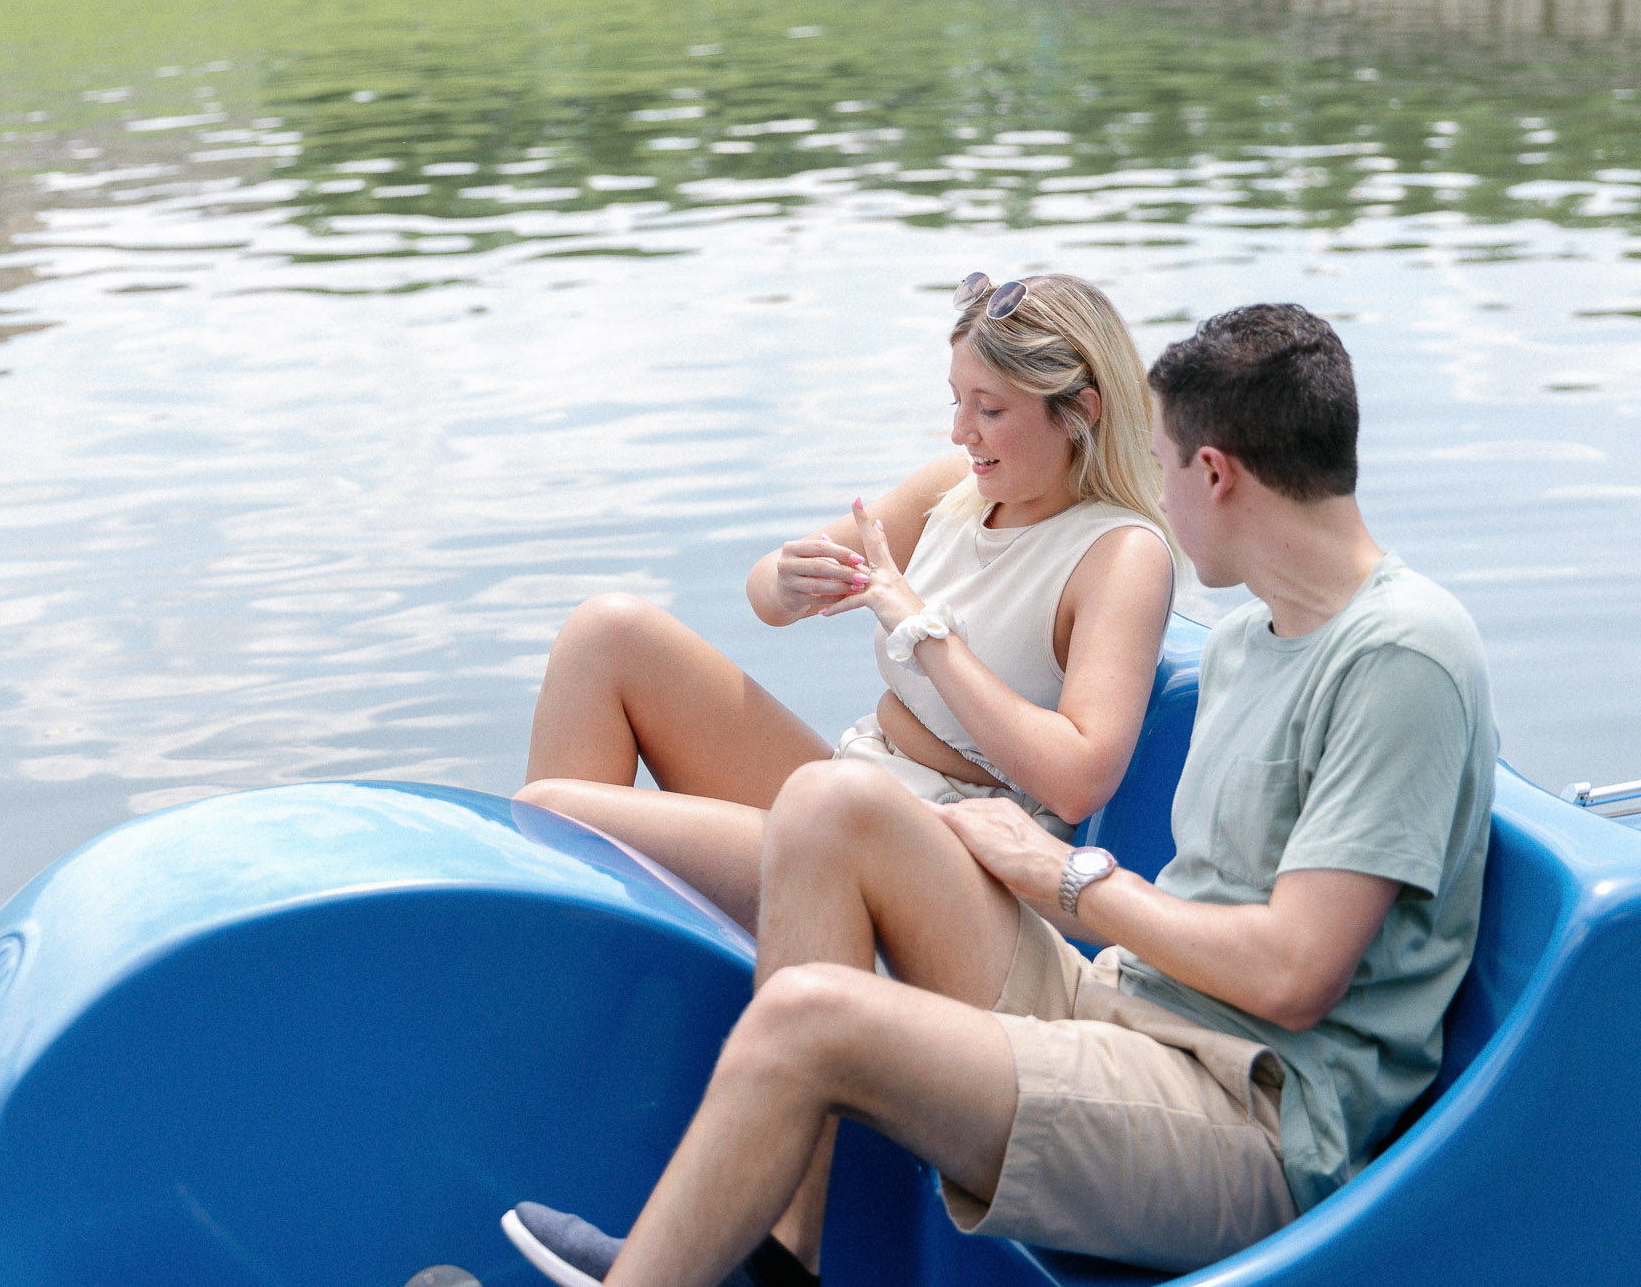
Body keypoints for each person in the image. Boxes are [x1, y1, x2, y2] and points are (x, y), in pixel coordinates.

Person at [500, 303, 1498, 1285]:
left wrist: (1067, 878)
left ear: (1212, 472)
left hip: (1253, 1109)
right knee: (827, 803)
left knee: (807, 1015)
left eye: (1157, 464)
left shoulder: (1402, 650)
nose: (1149, 491)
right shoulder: (1254, 636)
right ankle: (773, 1268)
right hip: (1129, 1005)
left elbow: (1291, 976)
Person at [519, 273, 1177, 930]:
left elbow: (1078, 779)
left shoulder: (1121, 553)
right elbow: (764, 596)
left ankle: (558, 987)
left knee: (555, 810)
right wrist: (785, 579)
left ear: (1083, 411)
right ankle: (575, 974)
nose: (959, 432)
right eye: (956, 401)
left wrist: (919, 627)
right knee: (605, 634)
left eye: (990, 410)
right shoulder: (959, 489)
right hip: (856, 781)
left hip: (950, 857)